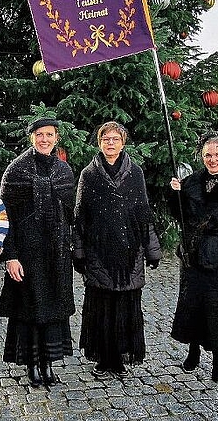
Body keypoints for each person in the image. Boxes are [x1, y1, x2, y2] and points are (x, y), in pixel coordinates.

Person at [73, 121, 161, 379]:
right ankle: (103, 357)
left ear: (123, 143)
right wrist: (78, 252)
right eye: (105, 139)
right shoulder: (88, 175)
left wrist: (152, 250)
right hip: (98, 252)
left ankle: (120, 356)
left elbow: (144, 213)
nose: (110, 143)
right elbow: (80, 216)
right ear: (99, 143)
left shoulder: (136, 174)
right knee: (101, 308)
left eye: (115, 139)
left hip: (129, 252)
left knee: (124, 307)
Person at [0, 117, 76, 387]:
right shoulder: (16, 170)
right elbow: (3, 217)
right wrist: (11, 256)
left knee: (53, 308)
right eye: (39, 134)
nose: (44, 139)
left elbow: (71, 214)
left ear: (57, 138)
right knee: (31, 309)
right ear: (31, 137)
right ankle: (32, 363)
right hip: (27, 254)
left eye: (49, 135)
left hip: (56, 253)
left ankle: (48, 362)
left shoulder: (64, 171)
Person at [168, 135, 218, 382]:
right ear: (202, 157)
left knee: (215, 310)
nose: (212, 159)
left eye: (217, 154)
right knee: (192, 306)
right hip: (192, 255)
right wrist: (175, 194)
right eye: (207, 155)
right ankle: (193, 352)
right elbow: (178, 215)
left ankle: (217, 359)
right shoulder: (190, 182)